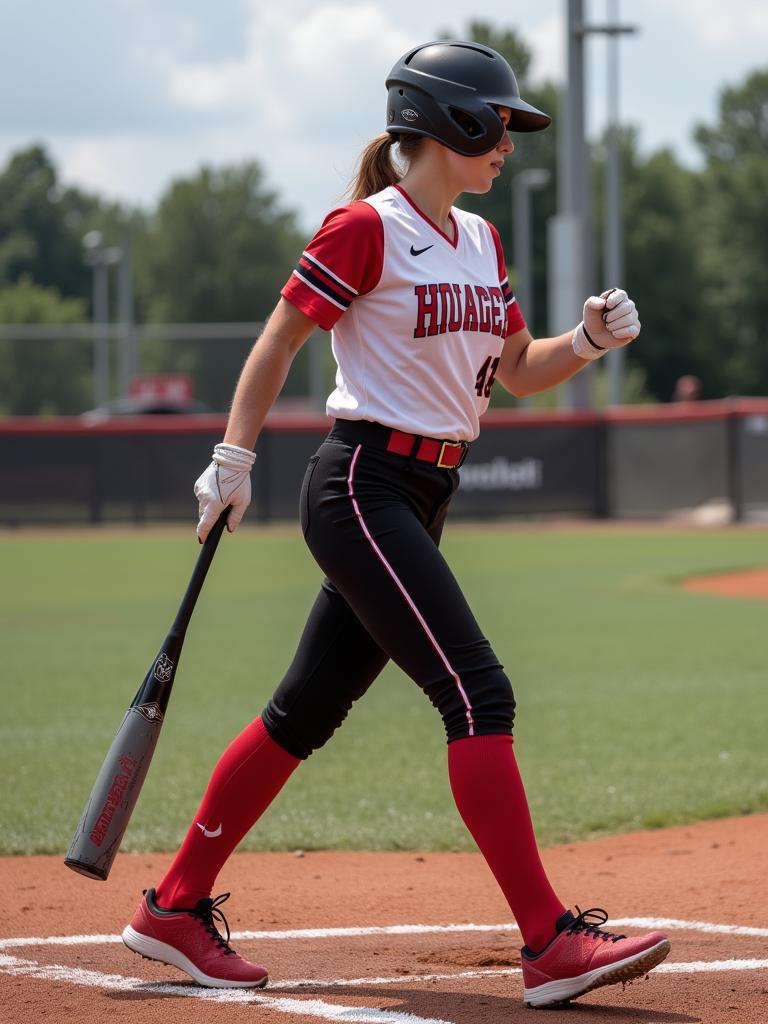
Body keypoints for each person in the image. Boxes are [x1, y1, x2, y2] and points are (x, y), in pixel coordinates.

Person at [119, 40, 670, 1009]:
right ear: (452, 121)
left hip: (421, 495)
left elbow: (520, 371)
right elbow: (279, 337)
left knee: (303, 712)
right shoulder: (365, 227)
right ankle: (546, 940)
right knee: (478, 693)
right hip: (362, 486)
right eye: (498, 124)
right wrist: (235, 456)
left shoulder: (480, 240)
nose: (507, 143)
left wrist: (584, 340)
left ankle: (173, 905)